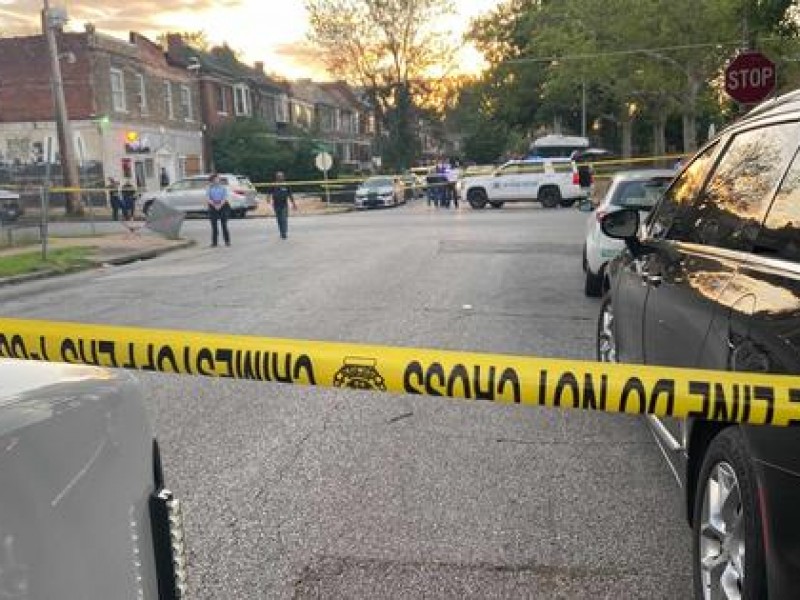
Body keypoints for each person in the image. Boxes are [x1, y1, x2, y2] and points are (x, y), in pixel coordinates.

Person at [269, 171, 297, 240]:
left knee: (284, 219)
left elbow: (290, 195)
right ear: (276, 177)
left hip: (284, 204)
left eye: (281, 176)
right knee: (279, 219)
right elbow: (269, 192)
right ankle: (281, 232)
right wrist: (268, 198)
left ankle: (284, 233)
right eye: (278, 176)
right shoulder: (273, 184)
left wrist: (293, 204)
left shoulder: (286, 185)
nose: (280, 177)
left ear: (283, 177)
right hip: (276, 204)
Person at [206, 173, 230, 247]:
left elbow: (225, 198)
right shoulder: (209, 188)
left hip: (223, 206)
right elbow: (208, 198)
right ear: (212, 180)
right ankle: (214, 242)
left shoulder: (223, 188)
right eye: (215, 179)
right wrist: (214, 205)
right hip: (213, 206)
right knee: (214, 226)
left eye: (218, 178)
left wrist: (220, 205)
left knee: (224, 225)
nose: (217, 180)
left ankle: (227, 241)